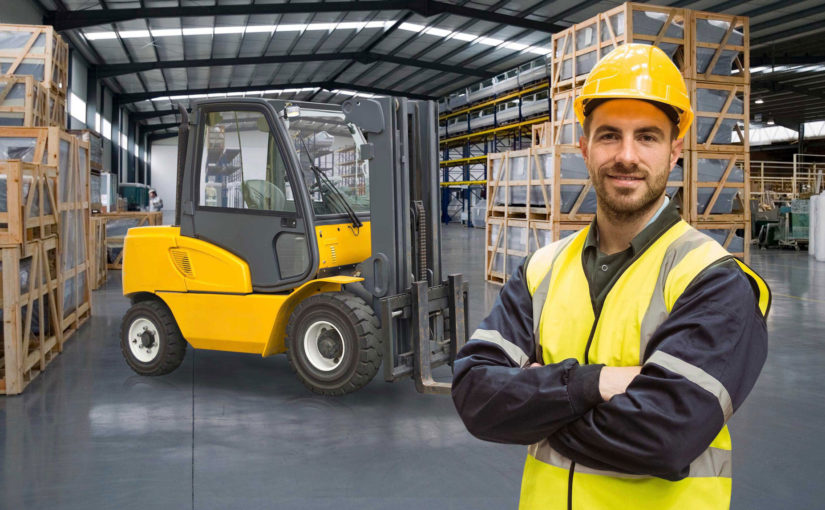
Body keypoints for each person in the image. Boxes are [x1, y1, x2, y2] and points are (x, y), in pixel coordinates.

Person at [451, 44, 770, 510]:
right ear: (584, 147)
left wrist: (534, 405)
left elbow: (665, 436)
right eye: (609, 136)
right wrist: (595, 384)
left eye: (647, 137)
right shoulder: (541, 269)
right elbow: (476, 396)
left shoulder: (713, 279)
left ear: (674, 151)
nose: (626, 155)